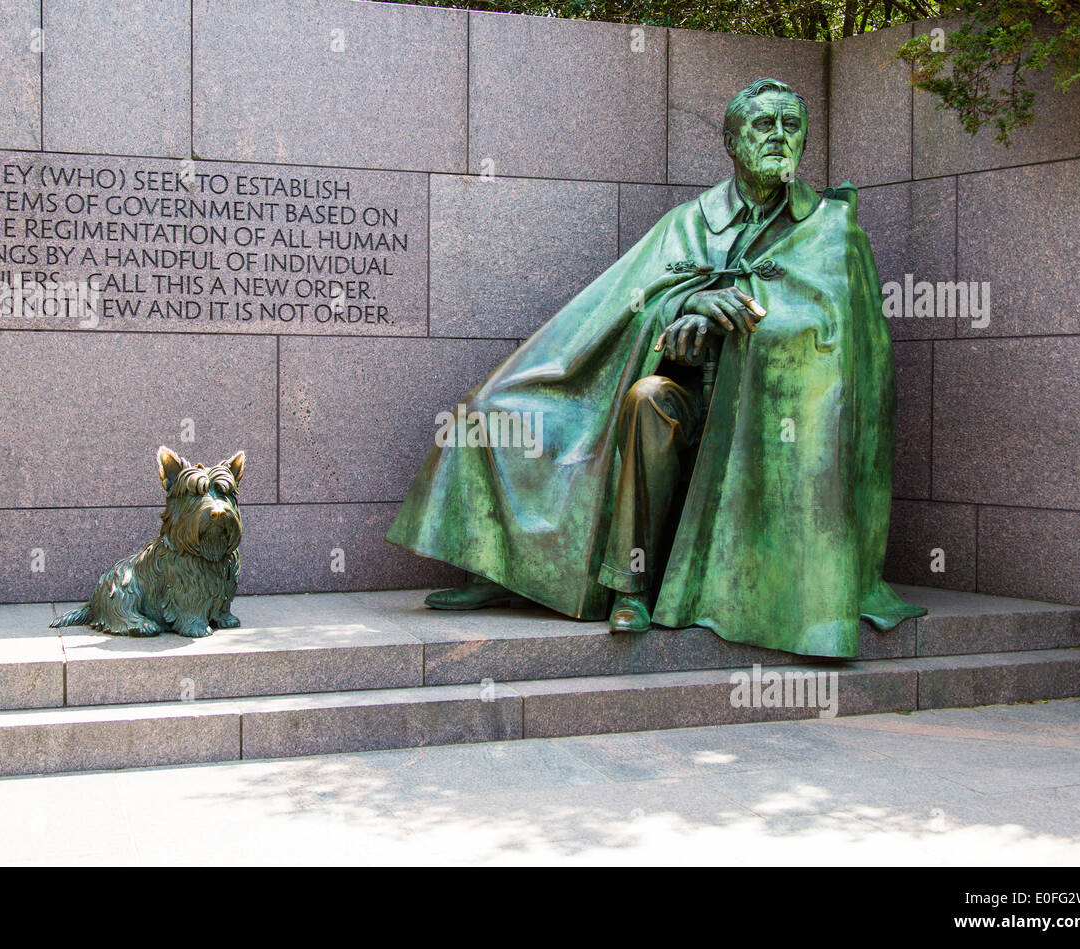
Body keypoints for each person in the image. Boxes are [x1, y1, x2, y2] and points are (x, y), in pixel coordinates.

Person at [385, 78, 925, 658]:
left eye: (790, 126)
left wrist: (738, 320)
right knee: (520, 407)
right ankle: (549, 577)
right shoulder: (689, 223)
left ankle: (650, 583)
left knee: (650, 399)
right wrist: (682, 307)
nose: (777, 137)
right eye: (762, 126)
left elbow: (840, 344)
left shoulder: (832, 229)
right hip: (685, 397)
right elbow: (626, 305)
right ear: (732, 142)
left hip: (763, 424)